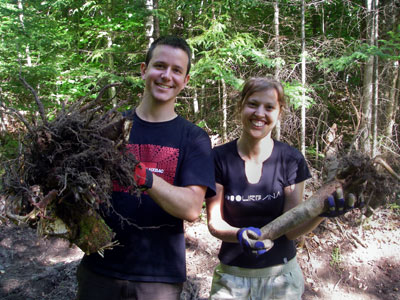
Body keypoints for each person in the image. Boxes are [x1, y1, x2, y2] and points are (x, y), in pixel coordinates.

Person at [76, 36, 216, 300]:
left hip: (158, 278)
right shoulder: (108, 126)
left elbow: (191, 208)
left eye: (177, 70)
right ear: (143, 70)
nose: (166, 76)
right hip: (100, 268)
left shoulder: (193, 138)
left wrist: (143, 176)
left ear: (185, 81)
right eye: (159, 66)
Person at [206, 77, 357, 300]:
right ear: (240, 106)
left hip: (281, 281)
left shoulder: (291, 160)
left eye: (269, 107)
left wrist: (321, 215)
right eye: (253, 104)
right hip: (231, 280)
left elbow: (291, 229)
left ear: (279, 112)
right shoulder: (218, 158)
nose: (260, 113)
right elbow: (214, 223)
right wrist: (239, 235)